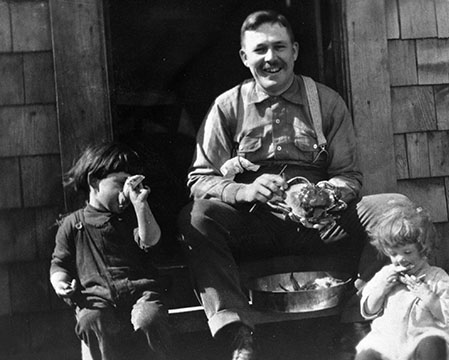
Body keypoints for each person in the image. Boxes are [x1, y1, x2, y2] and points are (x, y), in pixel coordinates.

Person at [177, 9, 410, 360]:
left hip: (322, 225)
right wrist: (243, 190)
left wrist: (328, 197)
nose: (271, 58)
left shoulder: (327, 102)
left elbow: (350, 176)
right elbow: (199, 179)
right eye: (260, 50)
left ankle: (356, 319)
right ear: (244, 57)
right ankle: (238, 334)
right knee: (196, 217)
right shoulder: (227, 107)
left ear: (295, 51)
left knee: (395, 208)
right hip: (255, 224)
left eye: (279, 47)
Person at [50, 142, 175, 360]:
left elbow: (151, 240)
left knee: (150, 319)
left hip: (140, 293)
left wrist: (141, 204)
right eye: (120, 184)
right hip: (97, 298)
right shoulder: (73, 224)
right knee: (91, 320)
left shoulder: (131, 218)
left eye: (131, 184)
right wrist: (60, 282)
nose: (126, 193)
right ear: (94, 182)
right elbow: (59, 263)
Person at [355, 201, 449, 360]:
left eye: (407, 252)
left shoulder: (436, 277)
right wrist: (382, 289)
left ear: (423, 250)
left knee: (433, 346)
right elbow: (368, 310)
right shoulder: (386, 275)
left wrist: (428, 296)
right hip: (388, 340)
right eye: (393, 254)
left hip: (422, 336)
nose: (400, 259)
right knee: (366, 355)